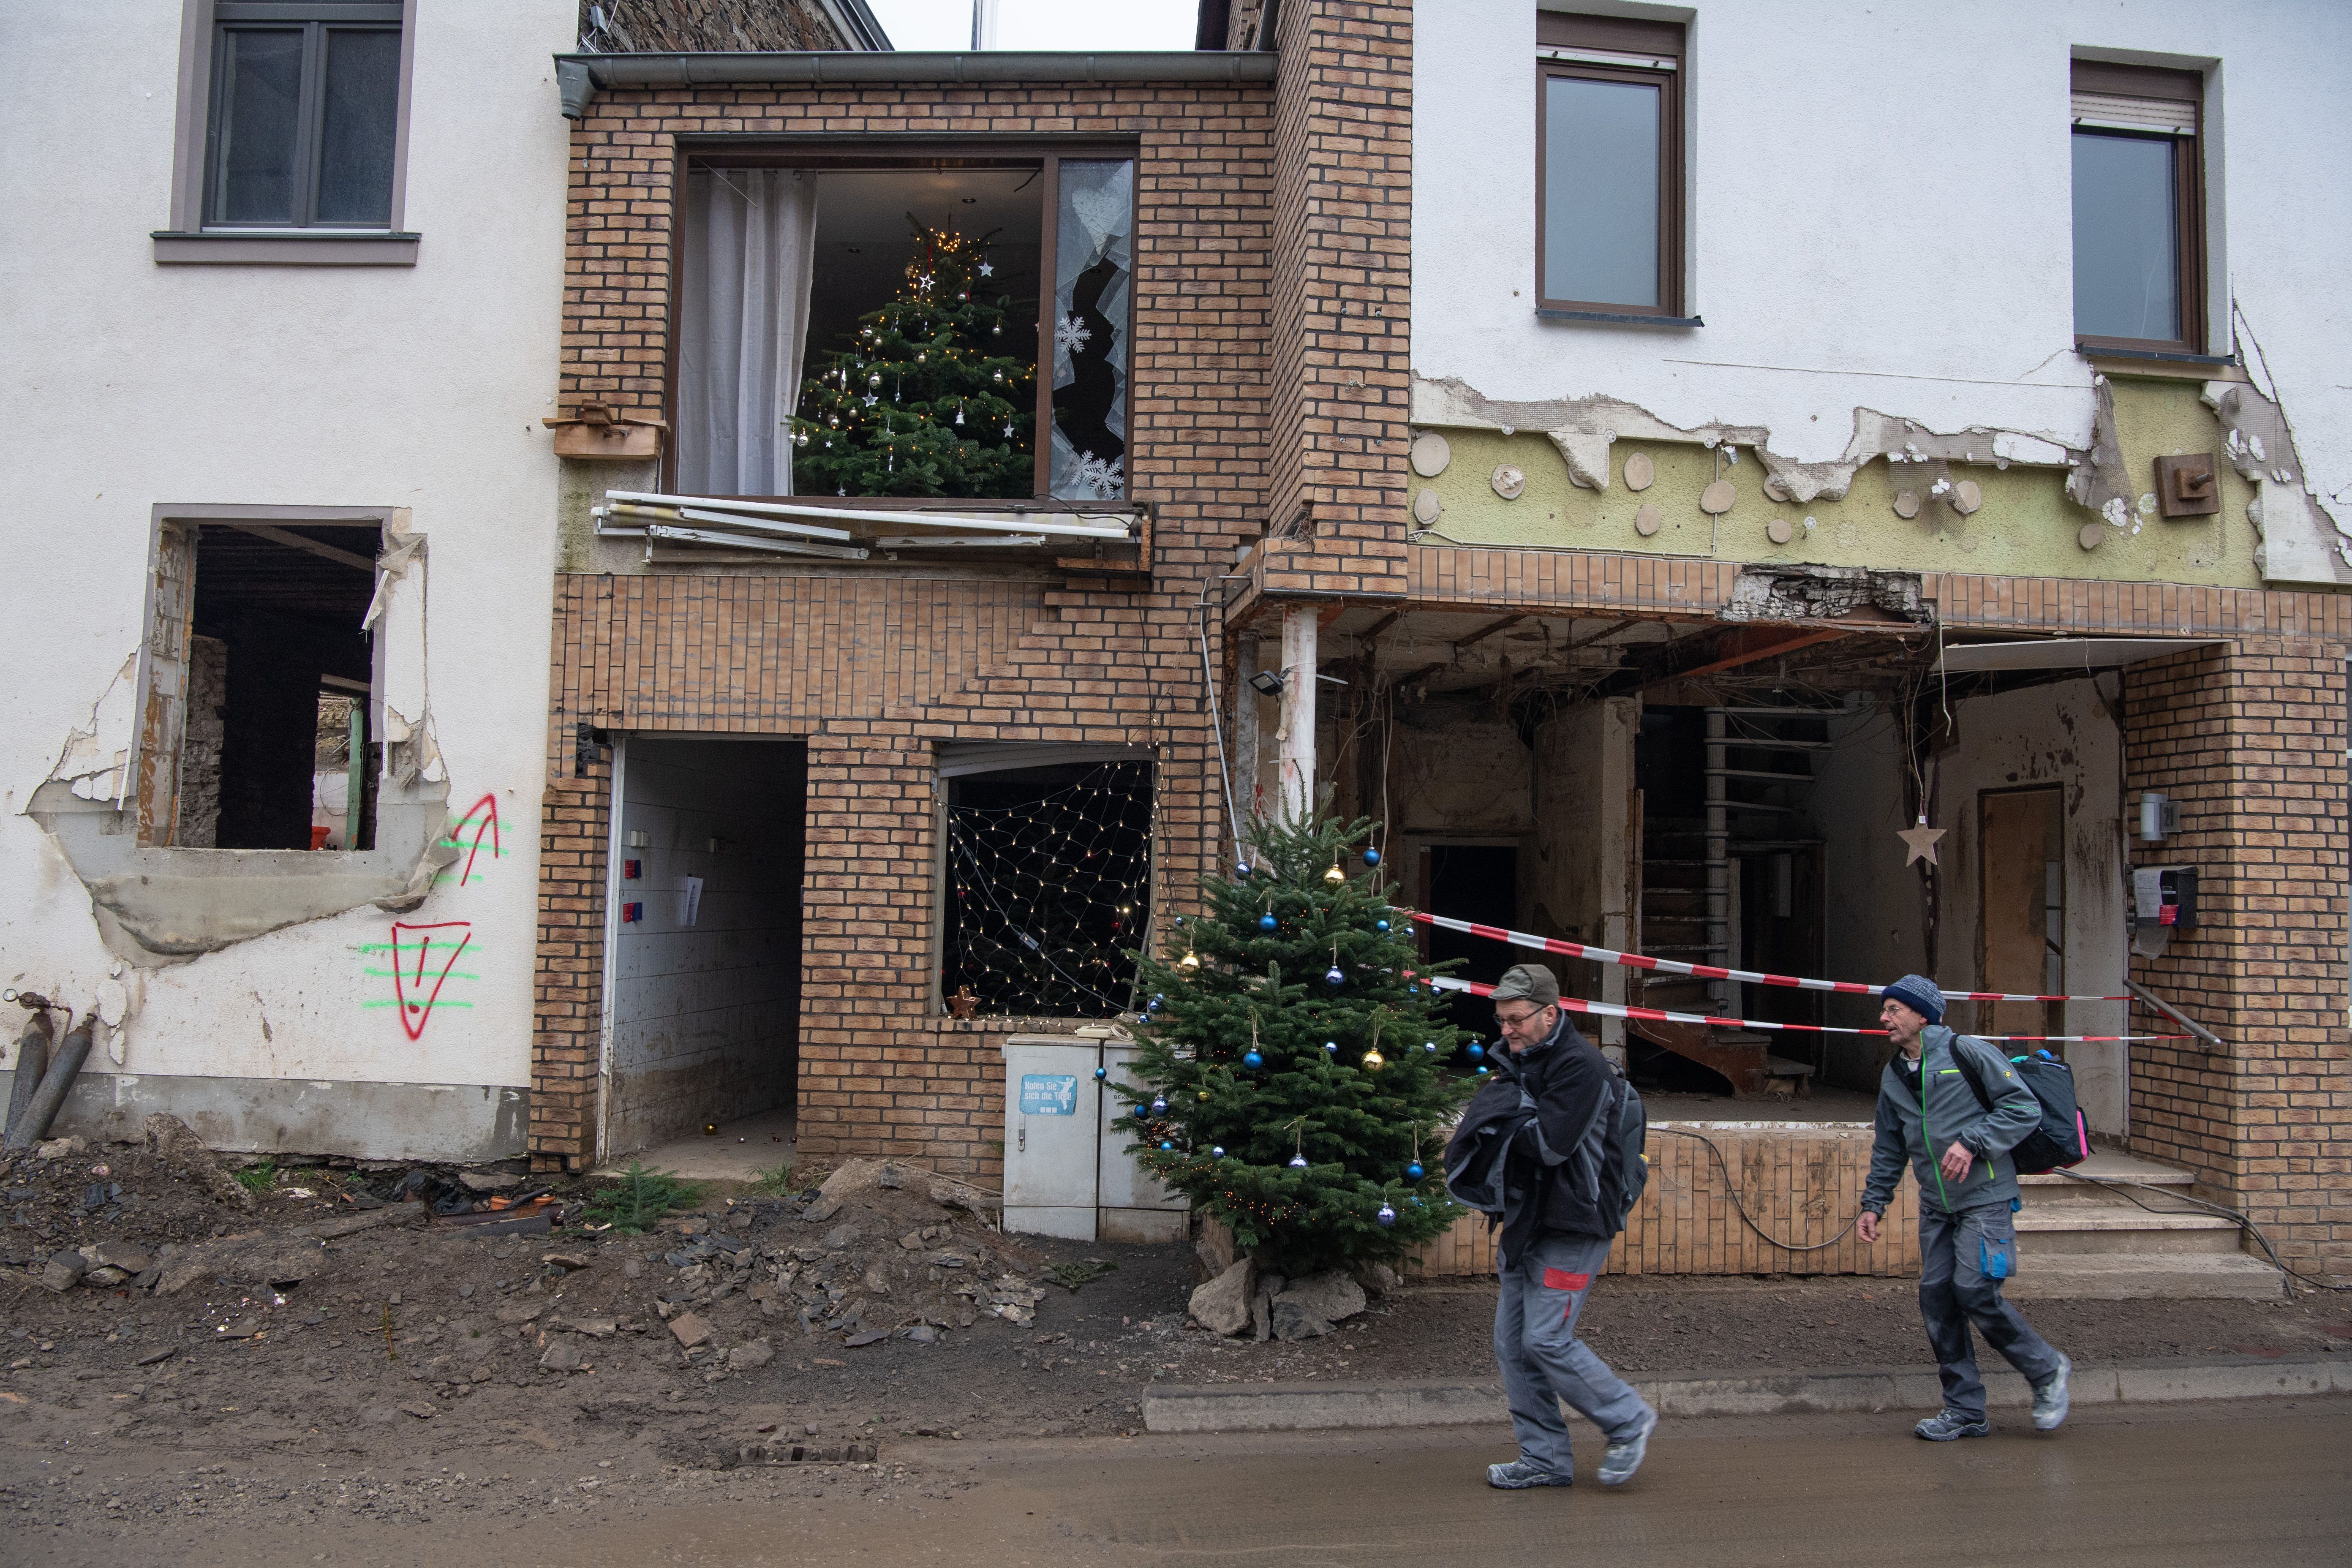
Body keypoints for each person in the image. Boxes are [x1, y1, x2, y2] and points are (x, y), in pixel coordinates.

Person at [1445, 963, 1656, 1489]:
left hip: (1575, 1220)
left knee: (1546, 1339)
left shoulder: (1580, 1068)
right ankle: (1544, 1459)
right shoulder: (1521, 1058)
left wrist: (1497, 1123)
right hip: (1526, 1217)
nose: (1507, 1030)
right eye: (1502, 1020)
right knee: (1513, 1344)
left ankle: (1628, 1421)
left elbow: (1549, 1145)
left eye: (1517, 1019)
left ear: (1551, 1014)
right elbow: (1517, 1127)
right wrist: (1507, 1117)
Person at [1857, 974, 2073, 1440]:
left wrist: (1972, 1143)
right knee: (1937, 1299)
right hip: (1937, 1205)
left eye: (1894, 1009)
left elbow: (2023, 1108)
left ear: (1922, 1014)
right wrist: (1874, 1203)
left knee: (1974, 1289)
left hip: (1986, 1198)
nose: (1884, 1018)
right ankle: (1964, 1409)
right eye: (1885, 1009)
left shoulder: (1966, 1052)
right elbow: (1889, 1145)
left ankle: (2047, 1370)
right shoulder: (1895, 1074)